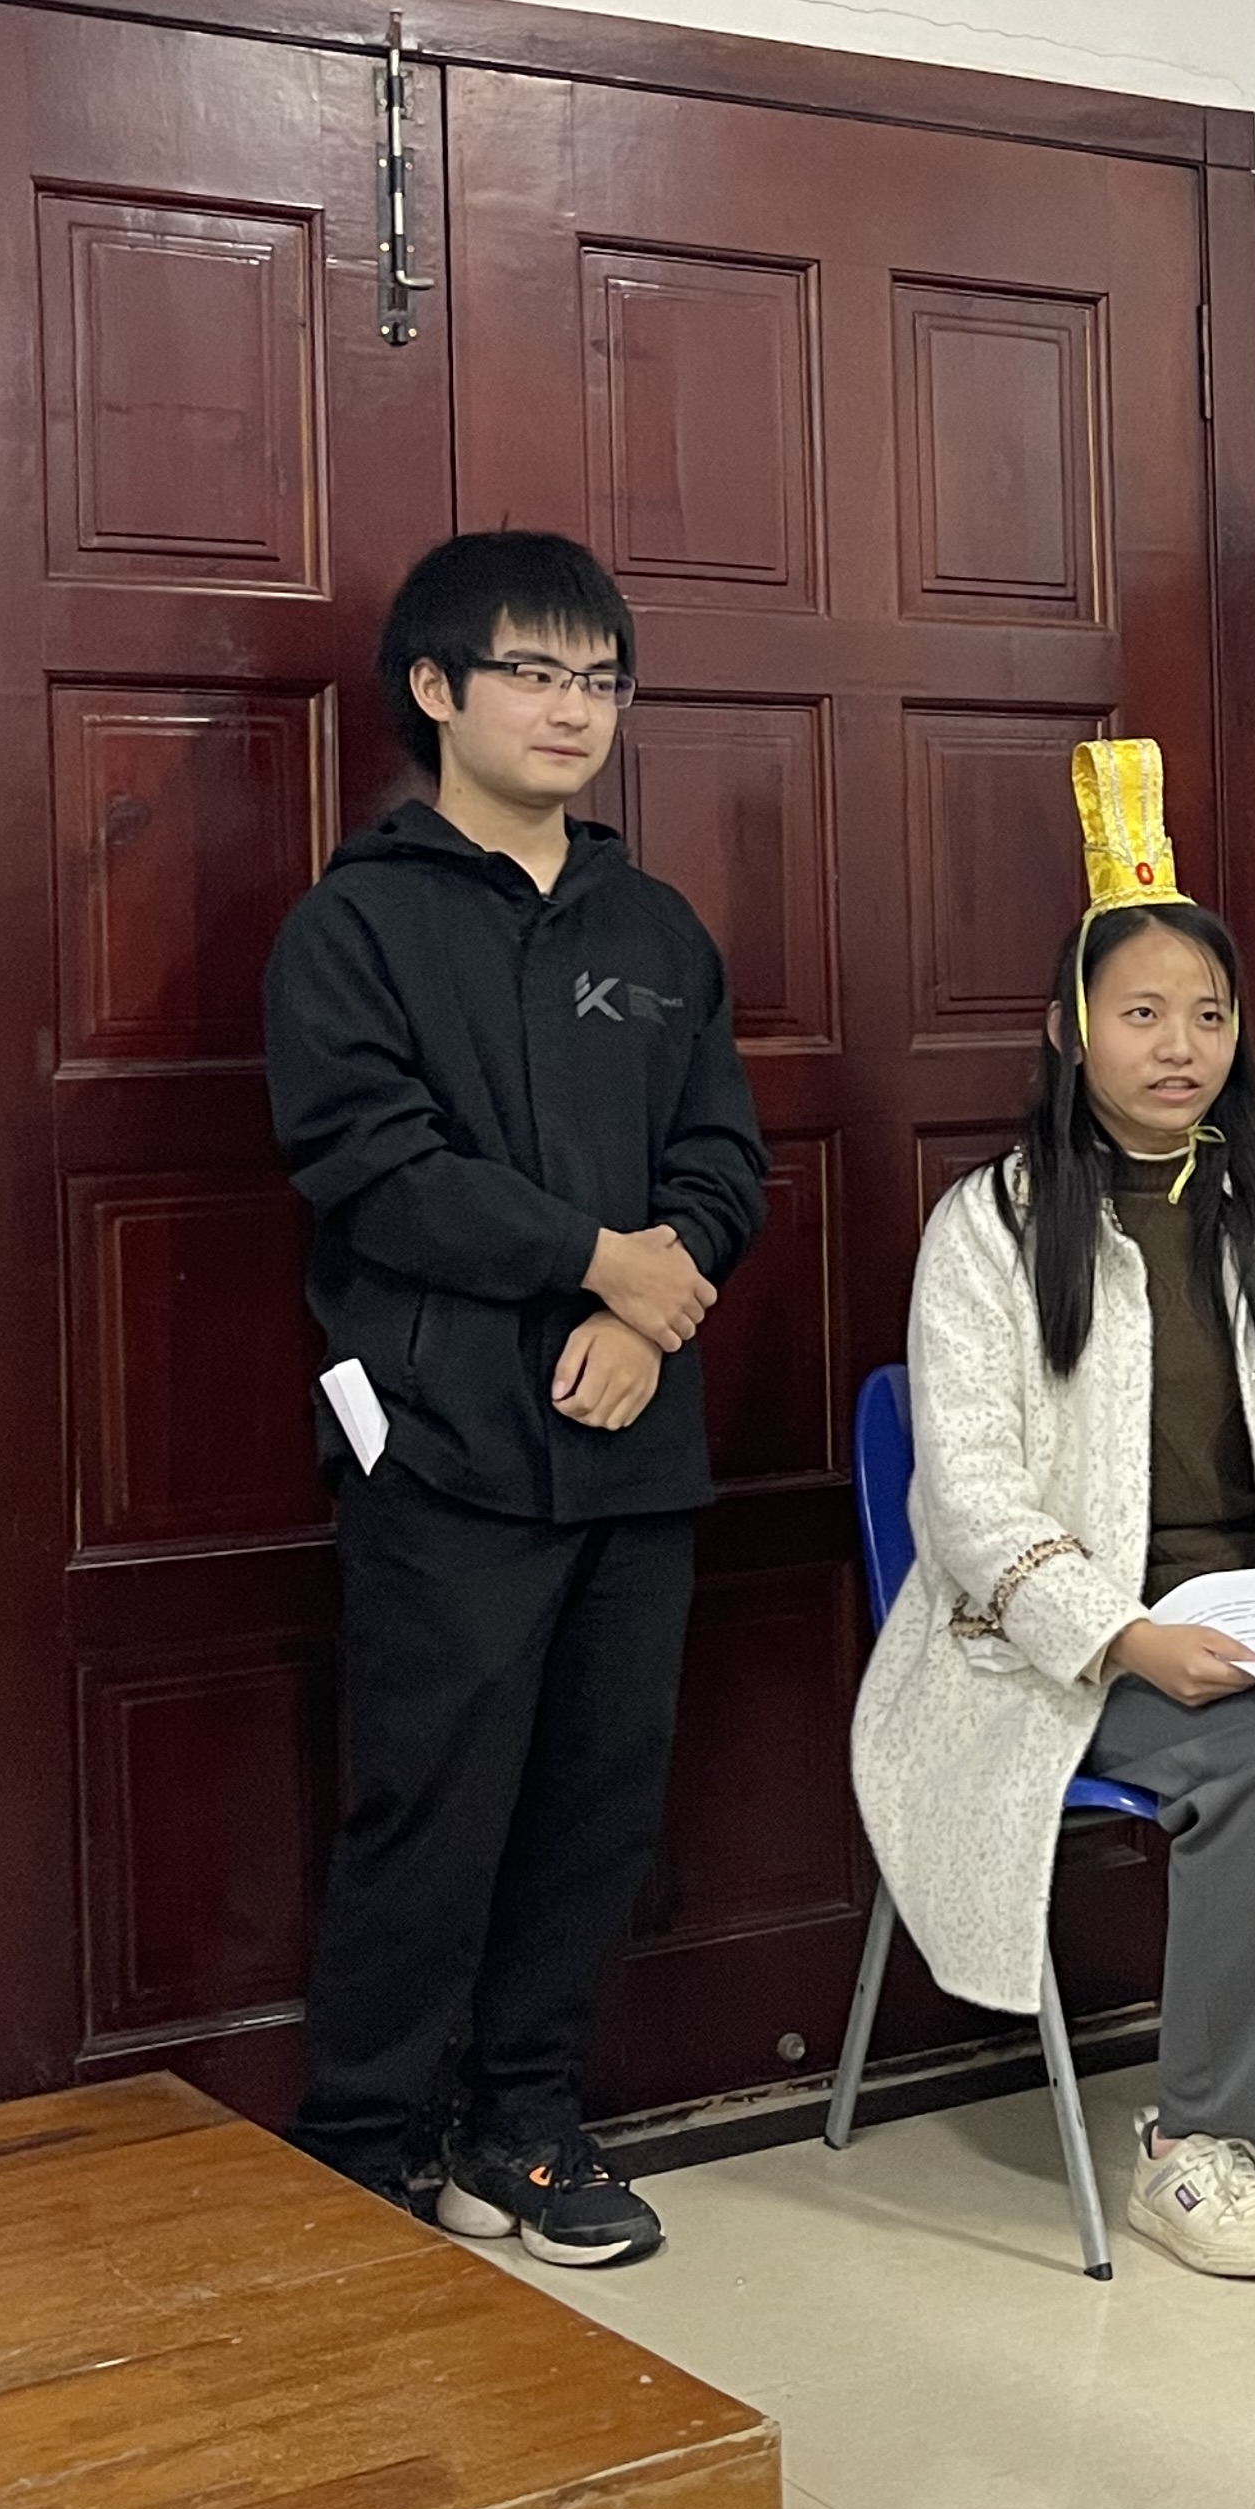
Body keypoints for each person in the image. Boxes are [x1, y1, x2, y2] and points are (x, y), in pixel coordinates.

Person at [852, 742, 1255, 2281]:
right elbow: (970, 1501)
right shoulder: (992, 1228)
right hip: (1069, 1639)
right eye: (1141, 1013)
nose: (1180, 1045)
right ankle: (1194, 2137)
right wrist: (1124, 1638)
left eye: (1208, 1015)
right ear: (1071, 1030)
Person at [266, 530, 767, 2267]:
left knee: (596, 1806)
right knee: (429, 1806)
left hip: (635, 1441)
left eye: (600, 680)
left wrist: (650, 1309)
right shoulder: (356, 924)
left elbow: (722, 1161)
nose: (573, 709)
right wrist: (596, 1261)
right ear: (436, 688)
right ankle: (360, 2148)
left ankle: (523, 2129)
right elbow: (372, 1164)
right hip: (447, 1446)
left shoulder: (656, 928)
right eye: (535, 673)